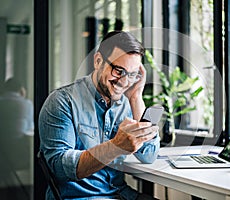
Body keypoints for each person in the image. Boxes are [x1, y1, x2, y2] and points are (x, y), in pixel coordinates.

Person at [39, 31, 160, 200]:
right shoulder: (62, 101)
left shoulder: (125, 103)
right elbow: (58, 168)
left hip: (120, 194)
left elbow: (149, 154)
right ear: (98, 61)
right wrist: (115, 146)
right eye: (119, 71)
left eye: (132, 74)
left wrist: (136, 97)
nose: (124, 82)